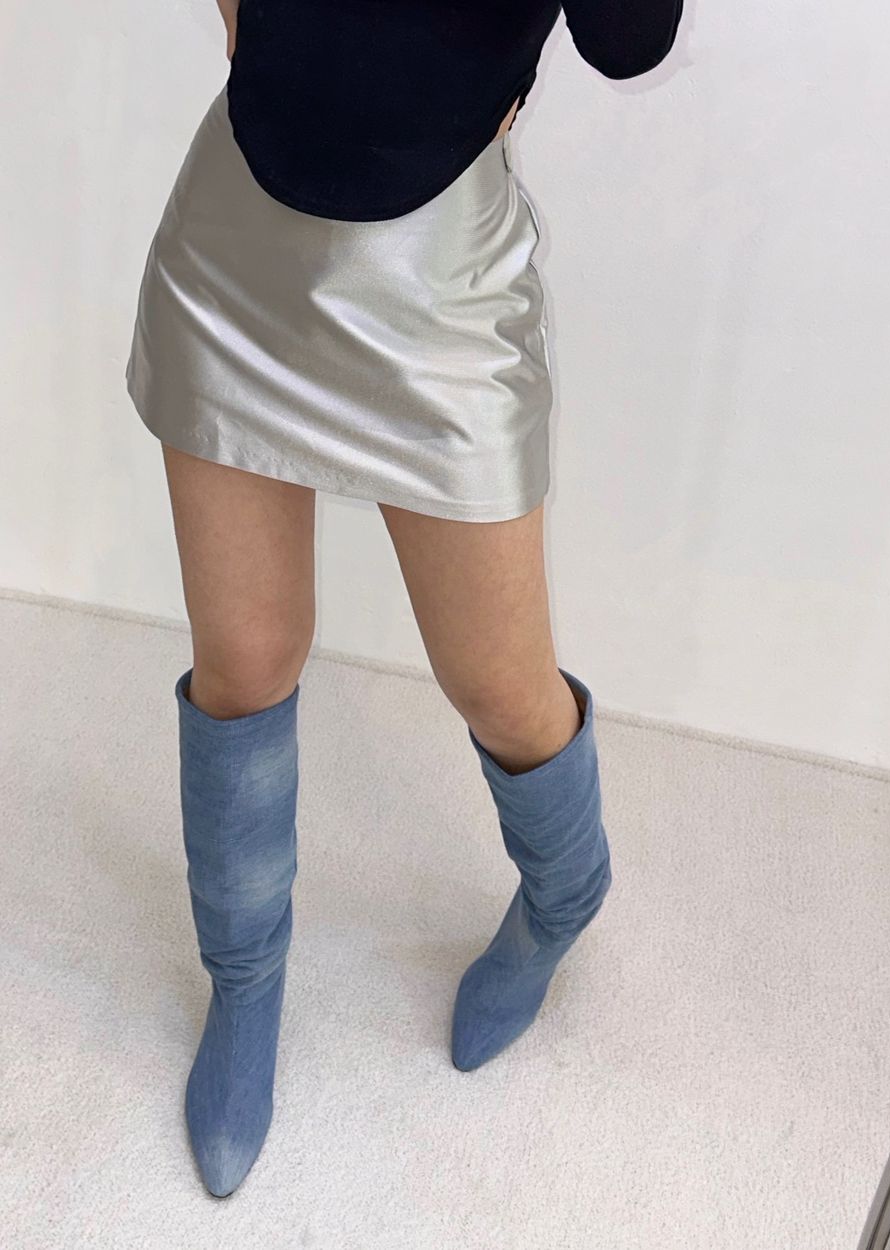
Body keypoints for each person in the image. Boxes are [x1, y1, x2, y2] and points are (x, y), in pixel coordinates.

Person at [124, 0, 683, 1199]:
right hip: (236, 245)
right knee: (243, 661)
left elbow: (628, 37)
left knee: (499, 685)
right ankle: (245, 978)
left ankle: (563, 895)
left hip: (437, 281)